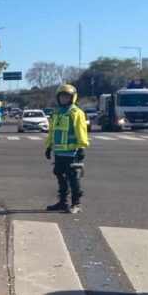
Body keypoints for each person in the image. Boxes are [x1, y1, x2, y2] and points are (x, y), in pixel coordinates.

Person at [44, 83, 89, 214]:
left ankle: (76, 203)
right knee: (60, 176)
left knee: (73, 178)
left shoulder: (76, 112)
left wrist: (81, 148)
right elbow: (52, 131)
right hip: (58, 152)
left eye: (67, 97)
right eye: (62, 96)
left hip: (71, 151)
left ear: (72, 98)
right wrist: (49, 147)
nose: (64, 99)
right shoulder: (56, 112)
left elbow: (81, 130)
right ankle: (62, 202)